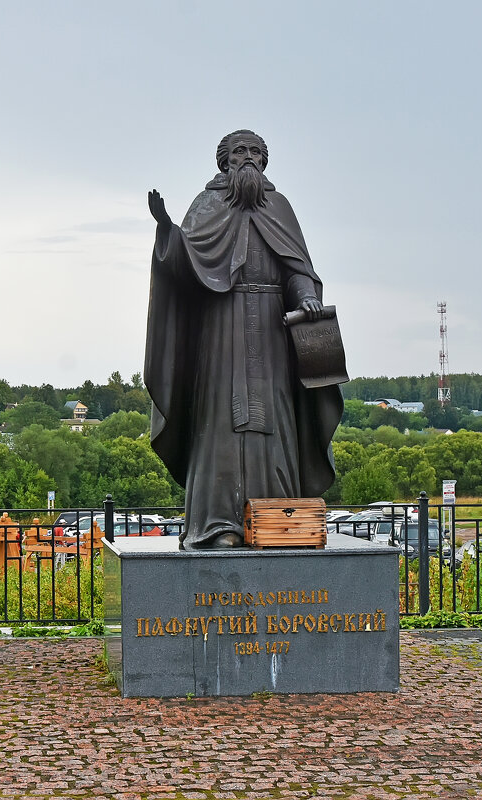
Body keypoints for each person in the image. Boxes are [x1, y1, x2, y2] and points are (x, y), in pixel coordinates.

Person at [146, 129, 343, 550]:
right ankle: (219, 527)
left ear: (265, 161)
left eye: (255, 152)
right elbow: (185, 268)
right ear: (225, 161)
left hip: (273, 336)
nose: (248, 158)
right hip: (220, 332)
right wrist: (168, 233)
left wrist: (306, 297)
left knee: (275, 425)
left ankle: (278, 521)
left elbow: (298, 269)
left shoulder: (280, 208)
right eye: (240, 152)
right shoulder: (206, 205)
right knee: (220, 425)